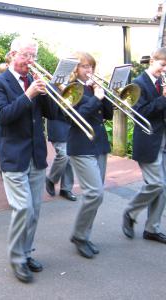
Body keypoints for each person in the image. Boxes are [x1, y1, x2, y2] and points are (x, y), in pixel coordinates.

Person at [0, 37, 58, 283]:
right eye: (26, 55)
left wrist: (51, 92)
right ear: (12, 54)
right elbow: (2, 116)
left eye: (33, 56)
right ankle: (17, 260)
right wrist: (28, 95)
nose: (31, 61)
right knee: (23, 208)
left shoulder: (34, 81)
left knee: (35, 210)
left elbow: (53, 113)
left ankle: (26, 253)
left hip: (36, 155)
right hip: (13, 155)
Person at [67, 51, 113, 259]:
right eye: (85, 67)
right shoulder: (72, 89)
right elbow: (76, 116)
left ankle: (84, 235)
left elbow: (109, 115)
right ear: (75, 69)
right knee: (95, 193)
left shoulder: (92, 87)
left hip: (99, 144)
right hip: (81, 145)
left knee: (96, 194)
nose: (90, 70)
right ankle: (79, 235)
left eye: (91, 66)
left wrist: (104, 95)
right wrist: (95, 98)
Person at [122, 47, 166, 244]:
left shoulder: (162, 83)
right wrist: (164, 98)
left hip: (163, 140)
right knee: (157, 184)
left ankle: (152, 229)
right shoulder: (138, 84)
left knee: (163, 188)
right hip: (148, 140)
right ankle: (131, 211)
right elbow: (141, 113)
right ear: (152, 61)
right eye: (162, 65)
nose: (164, 70)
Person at [45, 116, 77, 201]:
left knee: (69, 157)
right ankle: (51, 179)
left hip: (70, 122)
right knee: (64, 154)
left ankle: (66, 189)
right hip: (57, 122)